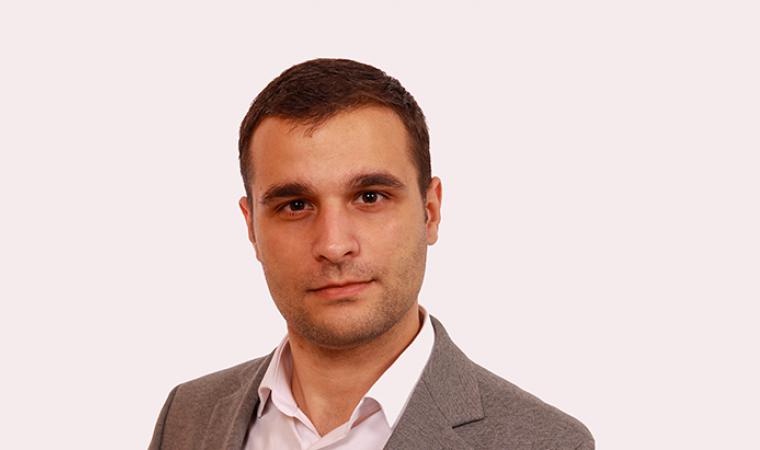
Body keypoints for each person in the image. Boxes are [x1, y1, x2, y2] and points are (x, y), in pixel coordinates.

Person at [149, 58, 594, 450]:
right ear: (251, 226)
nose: (333, 245)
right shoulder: (187, 417)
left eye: (370, 197)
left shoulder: (547, 443)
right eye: (296, 205)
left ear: (430, 211)